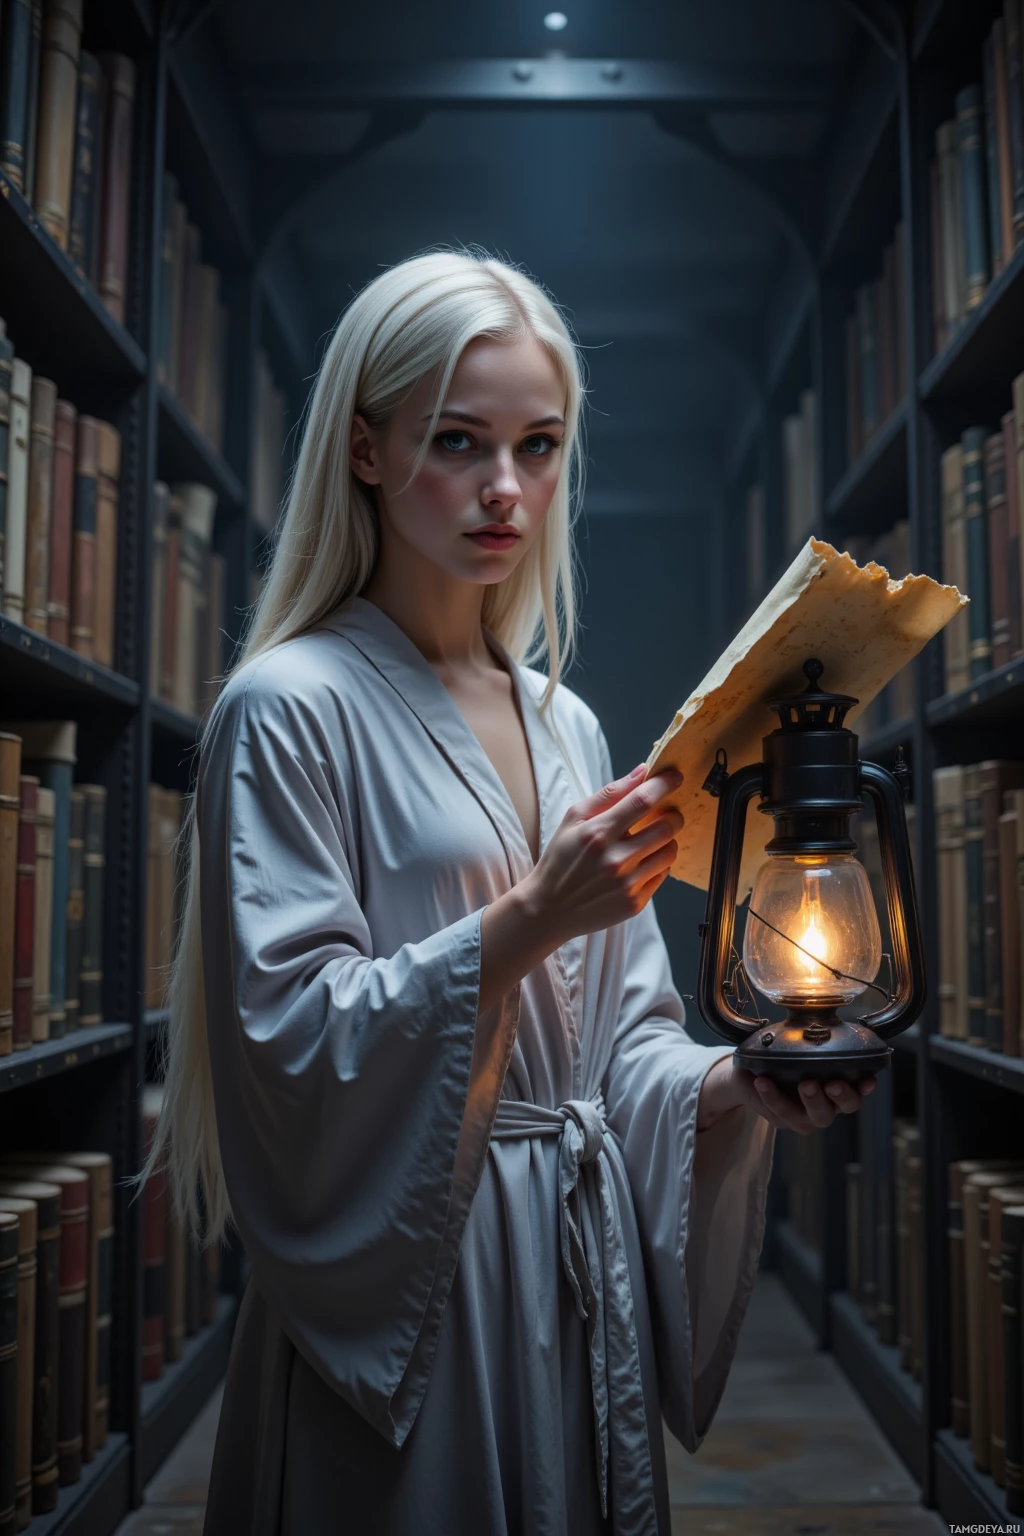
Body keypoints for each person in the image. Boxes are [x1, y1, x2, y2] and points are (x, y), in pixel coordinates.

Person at [142, 249, 876, 1535]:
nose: (503, 490)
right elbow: (288, 1040)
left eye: (538, 447)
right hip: (413, 1272)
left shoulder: (567, 724)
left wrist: (732, 1083)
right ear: (365, 450)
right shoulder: (286, 708)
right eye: (456, 442)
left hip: (567, 1261)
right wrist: (533, 915)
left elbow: (624, 1043)